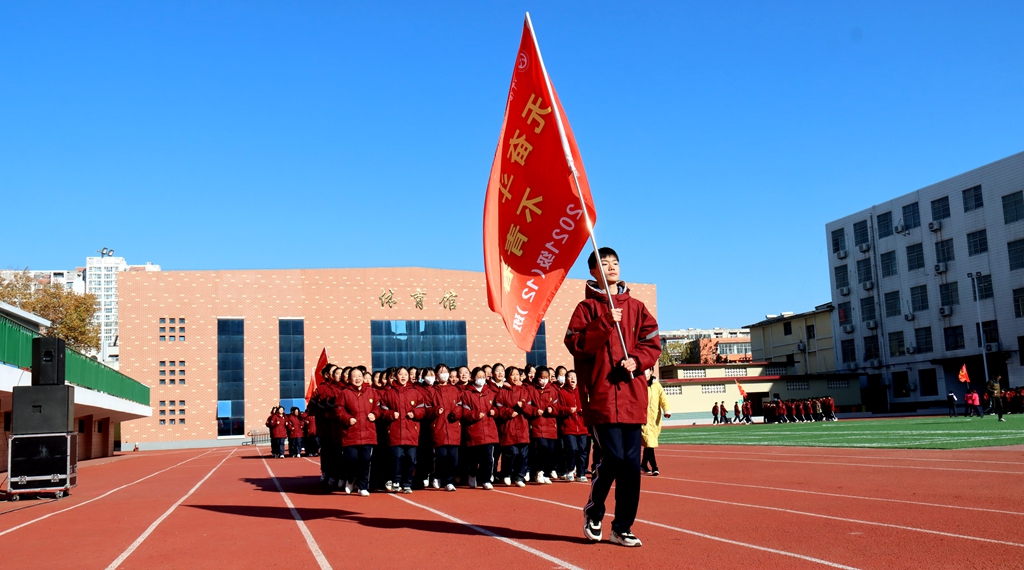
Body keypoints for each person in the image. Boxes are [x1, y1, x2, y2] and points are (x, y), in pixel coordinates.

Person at [565, 247, 661, 548]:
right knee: (614, 458)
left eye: (615, 263)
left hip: (632, 395)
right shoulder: (586, 309)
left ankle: (621, 527)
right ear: (593, 271)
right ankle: (594, 511)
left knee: (632, 466)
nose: (611, 268)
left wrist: (637, 361)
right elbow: (577, 345)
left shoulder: (637, 307)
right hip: (601, 397)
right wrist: (606, 321)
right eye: (604, 264)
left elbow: (652, 343)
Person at [378, 366, 426, 494]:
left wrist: (415, 413)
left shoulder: (415, 392)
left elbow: (422, 409)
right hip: (395, 432)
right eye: (400, 374)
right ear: (395, 377)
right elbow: (382, 410)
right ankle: (396, 481)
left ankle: (407, 483)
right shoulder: (388, 393)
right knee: (397, 457)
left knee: (411, 459)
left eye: (406, 374)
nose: (403, 376)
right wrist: (390, 414)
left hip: (411, 432)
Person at [337, 367, 378, 496]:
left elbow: (377, 406)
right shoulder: (345, 393)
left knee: (365, 461)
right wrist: (347, 419)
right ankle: (350, 479)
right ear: (349, 379)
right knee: (351, 459)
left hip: (368, 433)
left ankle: (362, 486)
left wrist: (375, 414)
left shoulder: (371, 392)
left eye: (360, 376)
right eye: (354, 376)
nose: (357, 378)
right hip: (351, 433)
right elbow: (339, 409)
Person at [460, 367, 498, 490]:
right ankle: (472, 475)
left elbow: (499, 407)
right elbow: (464, 412)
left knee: (487, 458)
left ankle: (486, 479)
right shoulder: (467, 393)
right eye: (478, 377)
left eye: (483, 377)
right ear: (473, 378)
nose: (481, 379)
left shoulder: (490, 392)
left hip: (489, 431)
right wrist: (475, 415)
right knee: (473, 458)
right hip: (473, 431)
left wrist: (494, 411)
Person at [495, 366, 531, 487]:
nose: (515, 377)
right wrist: (509, 413)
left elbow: (531, 409)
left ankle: (519, 476)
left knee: (523, 454)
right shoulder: (502, 392)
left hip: (522, 426)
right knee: (512, 453)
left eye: (517, 374)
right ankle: (506, 474)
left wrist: (523, 406)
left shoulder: (524, 391)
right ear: (507, 376)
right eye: (512, 374)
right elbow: (499, 409)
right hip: (508, 427)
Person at [557, 370, 589, 482]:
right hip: (569, 427)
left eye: (574, 377)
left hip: (582, 426)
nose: (572, 379)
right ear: (566, 379)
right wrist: (567, 410)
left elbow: (589, 405)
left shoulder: (582, 391)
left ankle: (581, 473)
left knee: (583, 451)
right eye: (569, 377)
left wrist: (583, 410)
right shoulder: (562, 392)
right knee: (572, 449)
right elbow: (558, 409)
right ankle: (570, 470)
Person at [641, 369, 670, 476]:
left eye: (648, 369)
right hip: (643, 418)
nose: (646, 371)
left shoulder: (657, 386)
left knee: (649, 443)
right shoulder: (639, 383)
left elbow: (663, 399)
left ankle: (643, 464)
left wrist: (667, 410)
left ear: (652, 371)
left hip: (655, 419)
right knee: (650, 442)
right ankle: (655, 467)